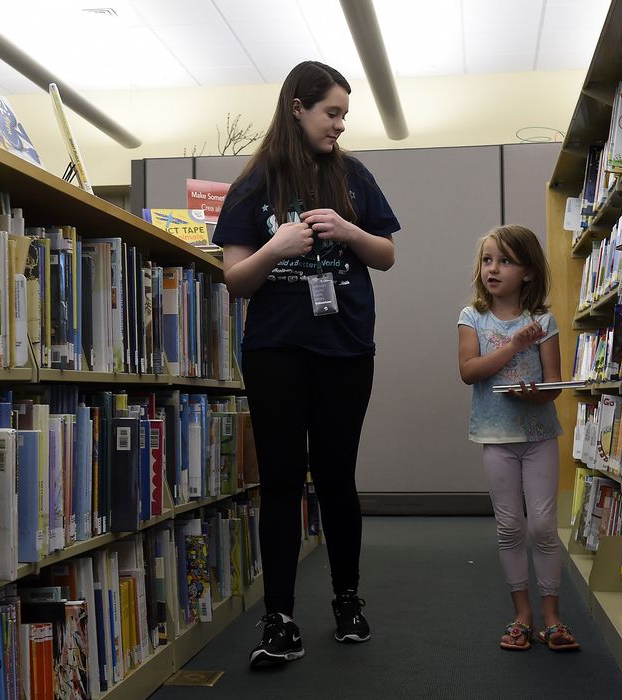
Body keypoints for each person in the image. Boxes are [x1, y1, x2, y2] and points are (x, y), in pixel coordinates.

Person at [212, 60, 400, 668]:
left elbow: (388, 254)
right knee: (282, 481)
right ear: (298, 106)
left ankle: (347, 601)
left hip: (345, 349)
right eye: (332, 112)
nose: (340, 125)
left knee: (338, 476)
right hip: (276, 351)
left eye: (345, 114)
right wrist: (276, 246)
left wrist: (347, 231)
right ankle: (279, 618)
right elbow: (236, 280)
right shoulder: (254, 184)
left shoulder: (354, 176)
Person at [456, 225, 580, 653]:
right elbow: (469, 371)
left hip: (539, 435)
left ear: (527, 272)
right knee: (510, 525)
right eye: (488, 260)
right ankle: (522, 615)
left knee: (544, 525)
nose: (493, 268)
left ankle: (552, 616)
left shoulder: (543, 321)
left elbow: (553, 385)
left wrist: (537, 394)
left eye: (505, 261)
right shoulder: (472, 317)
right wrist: (512, 346)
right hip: (495, 437)